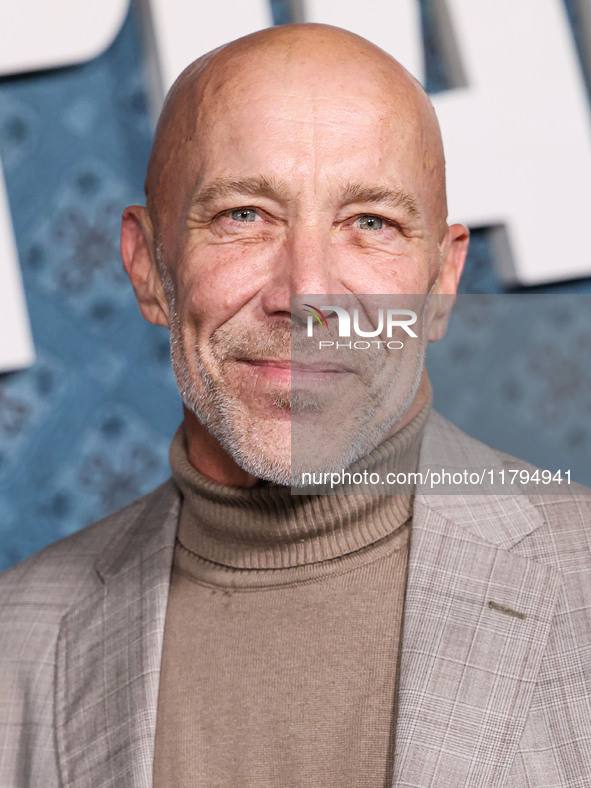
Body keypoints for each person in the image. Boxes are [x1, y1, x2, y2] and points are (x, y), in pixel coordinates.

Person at [1, 23, 590, 788]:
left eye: (369, 223)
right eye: (243, 215)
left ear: (442, 284)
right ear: (148, 267)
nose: (304, 296)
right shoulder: (17, 643)